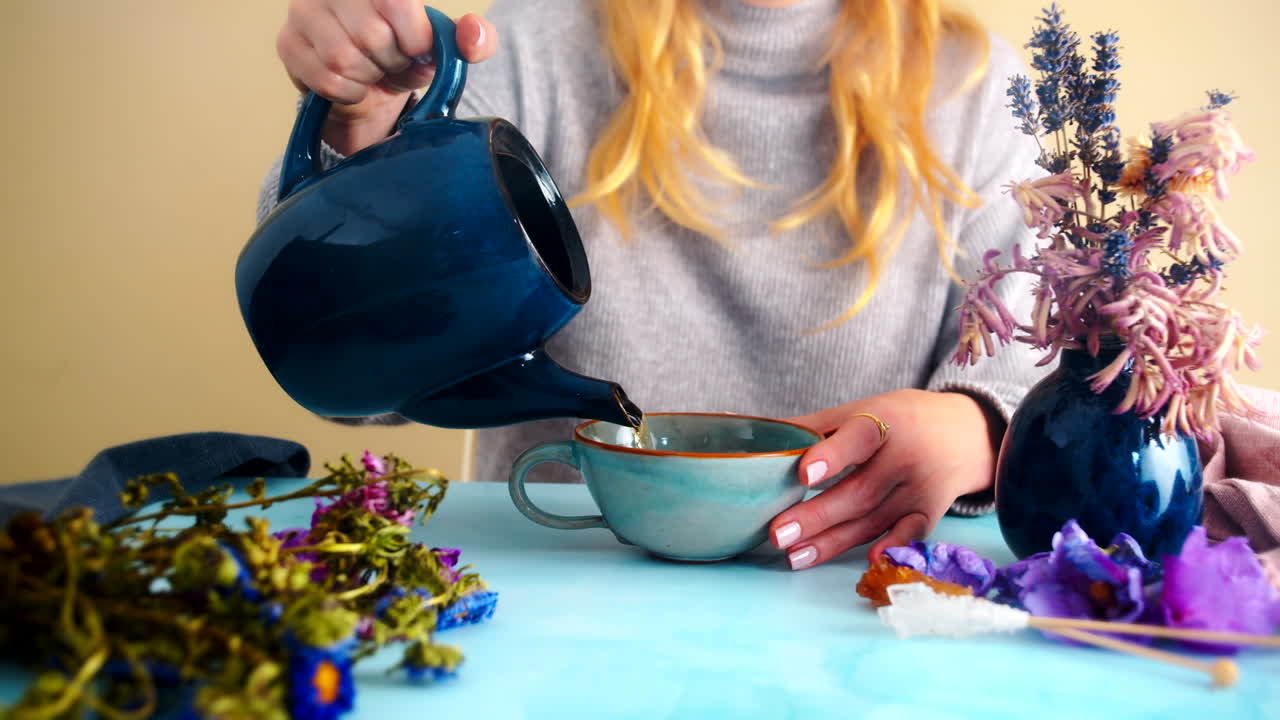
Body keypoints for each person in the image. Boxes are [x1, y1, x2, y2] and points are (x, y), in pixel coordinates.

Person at [261, 0, 1049, 571]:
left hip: (855, 600)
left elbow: (1032, 385)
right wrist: (357, 141)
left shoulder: (982, 94)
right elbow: (364, 368)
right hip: (555, 592)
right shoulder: (528, 53)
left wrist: (976, 429)